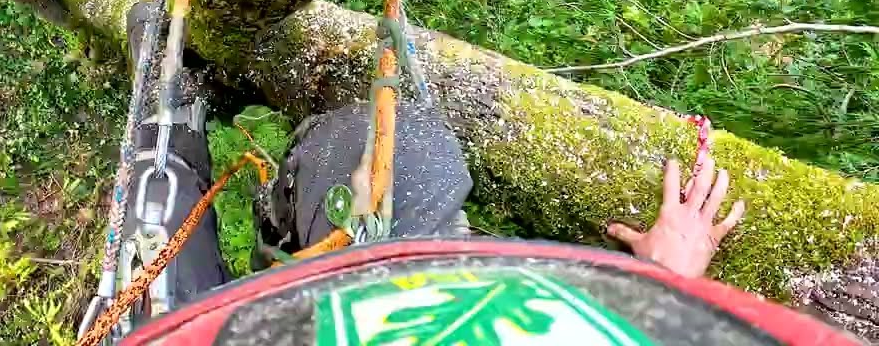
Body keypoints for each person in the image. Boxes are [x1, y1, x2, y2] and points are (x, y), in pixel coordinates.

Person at [110, 83, 853, 345]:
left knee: (159, 218)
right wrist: (665, 291)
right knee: (414, 149)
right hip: (460, 295)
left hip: (305, 320)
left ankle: (270, 208)